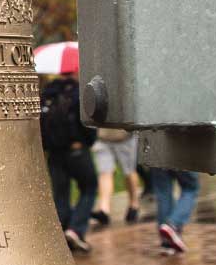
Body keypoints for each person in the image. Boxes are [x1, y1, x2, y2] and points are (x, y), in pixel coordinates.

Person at [40, 76, 97, 253]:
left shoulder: (46, 95)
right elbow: (87, 122)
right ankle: (76, 229)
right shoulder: (77, 93)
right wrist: (87, 141)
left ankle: (62, 234)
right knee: (89, 188)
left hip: (54, 154)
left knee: (61, 194)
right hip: (76, 150)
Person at [89, 127, 141, 227]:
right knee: (105, 173)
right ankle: (104, 210)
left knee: (129, 172)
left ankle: (134, 204)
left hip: (125, 137)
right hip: (103, 137)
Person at [148, 167, 199, 256]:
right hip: (184, 155)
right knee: (190, 188)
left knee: (163, 193)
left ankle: (167, 243)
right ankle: (173, 224)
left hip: (157, 155)